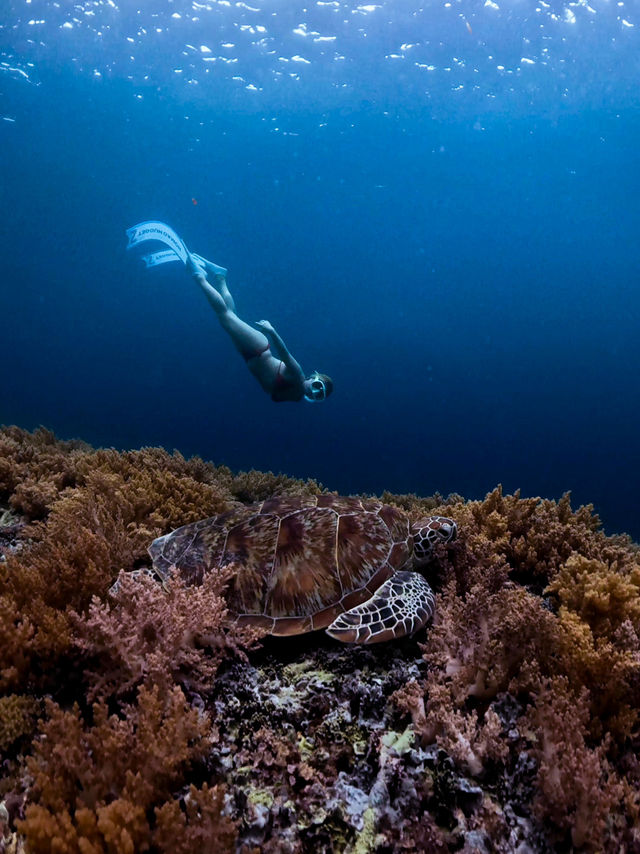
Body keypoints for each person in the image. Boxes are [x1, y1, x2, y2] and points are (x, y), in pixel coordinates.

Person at [184, 248, 333, 403]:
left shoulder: (295, 397)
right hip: (258, 348)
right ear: (313, 377)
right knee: (225, 317)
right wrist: (271, 331)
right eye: (317, 385)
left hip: (248, 355)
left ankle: (220, 276)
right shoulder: (297, 374)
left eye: (318, 394)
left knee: (231, 315)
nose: (313, 390)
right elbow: (284, 353)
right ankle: (199, 276)